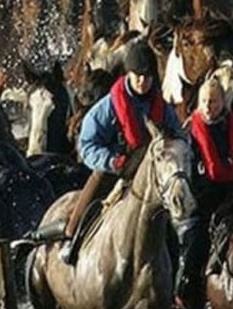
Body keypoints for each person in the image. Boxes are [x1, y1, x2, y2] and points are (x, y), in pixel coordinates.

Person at [58, 41, 185, 264]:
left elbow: (179, 136)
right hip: (114, 170)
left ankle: (175, 266)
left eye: (147, 77)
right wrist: (110, 161)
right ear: (128, 74)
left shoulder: (163, 109)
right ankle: (72, 241)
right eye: (137, 76)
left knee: (170, 228)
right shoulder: (107, 108)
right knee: (86, 206)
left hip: (149, 176)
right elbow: (87, 143)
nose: (142, 82)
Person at [173, 76, 233, 309]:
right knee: (195, 241)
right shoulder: (189, 134)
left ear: (222, 103)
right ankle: (184, 290)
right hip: (201, 199)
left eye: (214, 102)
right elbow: (185, 170)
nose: (208, 106)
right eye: (205, 101)